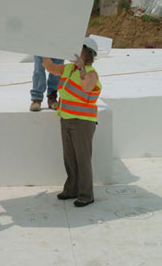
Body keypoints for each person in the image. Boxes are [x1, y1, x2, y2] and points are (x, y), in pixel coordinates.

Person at [42, 37, 101, 207]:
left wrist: (82, 67)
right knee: (69, 158)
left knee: (82, 159)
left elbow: (87, 87)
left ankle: (86, 194)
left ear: (87, 53)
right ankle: (71, 189)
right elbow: (52, 68)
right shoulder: (68, 68)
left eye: (79, 48)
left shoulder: (91, 72)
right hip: (66, 119)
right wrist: (44, 55)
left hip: (83, 122)